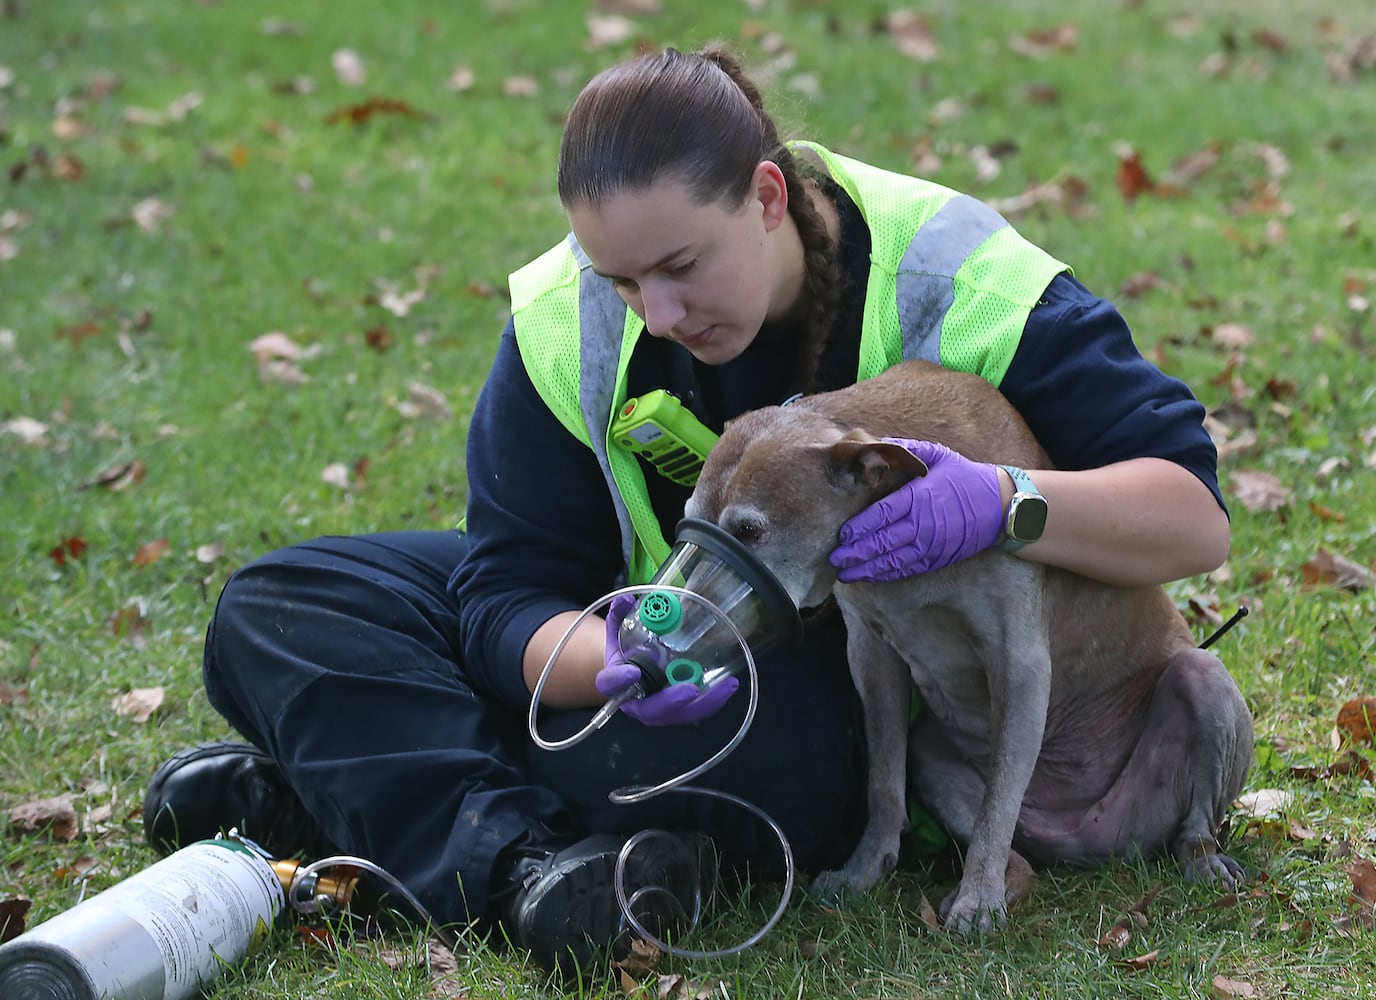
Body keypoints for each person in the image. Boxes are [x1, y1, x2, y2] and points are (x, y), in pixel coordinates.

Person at [140, 44, 1230, 976]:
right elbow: (504, 583)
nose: (654, 311)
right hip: (662, 633)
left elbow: (1191, 515)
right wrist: (600, 660)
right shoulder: (576, 317)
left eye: (680, 267)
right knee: (277, 605)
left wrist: (1001, 503)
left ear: (764, 197)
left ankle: (363, 797)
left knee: (768, 767)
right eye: (620, 280)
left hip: (853, 677)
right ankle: (510, 853)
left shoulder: (956, 278)